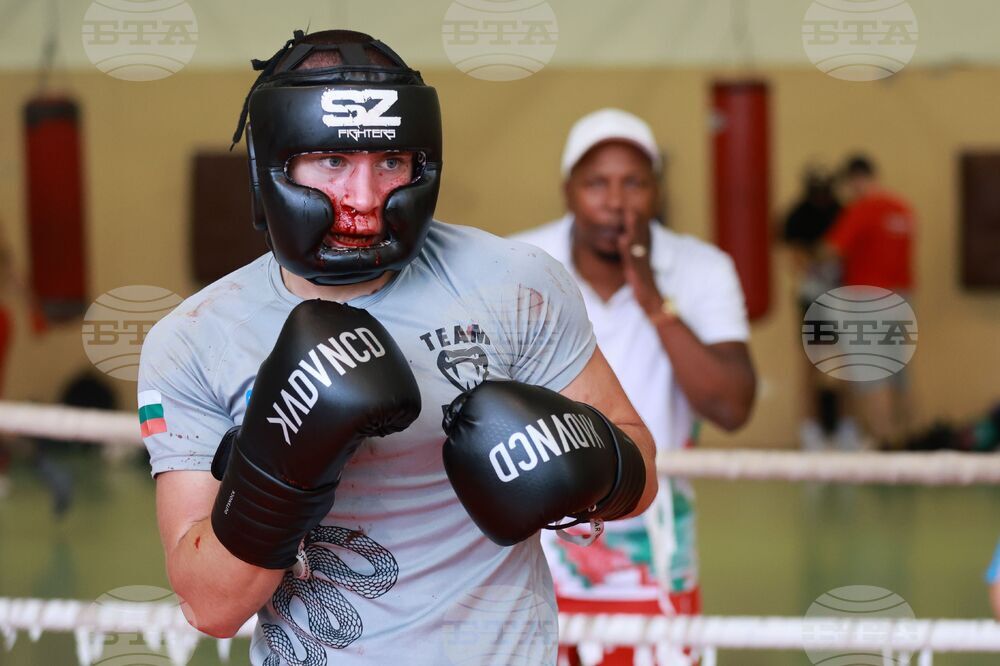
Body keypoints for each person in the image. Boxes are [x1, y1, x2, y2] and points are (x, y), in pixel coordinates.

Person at [137, 30, 658, 665]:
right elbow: (210, 607)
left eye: (390, 164)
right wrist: (278, 471)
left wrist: (593, 463)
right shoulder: (194, 337)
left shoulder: (517, 283)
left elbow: (642, 470)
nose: (364, 199)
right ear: (274, 166)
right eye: (332, 162)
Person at [512, 109, 756, 665]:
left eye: (634, 183)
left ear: (657, 191)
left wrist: (650, 294)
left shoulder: (699, 267)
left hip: (654, 544)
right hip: (532, 539)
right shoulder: (519, 263)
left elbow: (731, 405)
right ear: (568, 190)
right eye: (597, 182)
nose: (616, 202)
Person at [823, 154, 916, 449]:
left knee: (872, 374)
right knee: (899, 374)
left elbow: (831, 250)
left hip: (867, 298)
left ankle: (884, 442)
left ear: (856, 179)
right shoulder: (903, 209)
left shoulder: (862, 210)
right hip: (901, 298)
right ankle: (908, 440)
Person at [779, 167, 855, 450]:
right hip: (812, 300)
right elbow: (795, 258)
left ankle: (847, 429)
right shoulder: (798, 215)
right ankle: (811, 432)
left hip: (843, 300)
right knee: (812, 365)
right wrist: (817, 258)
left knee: (846, 364)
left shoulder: (843, 212)